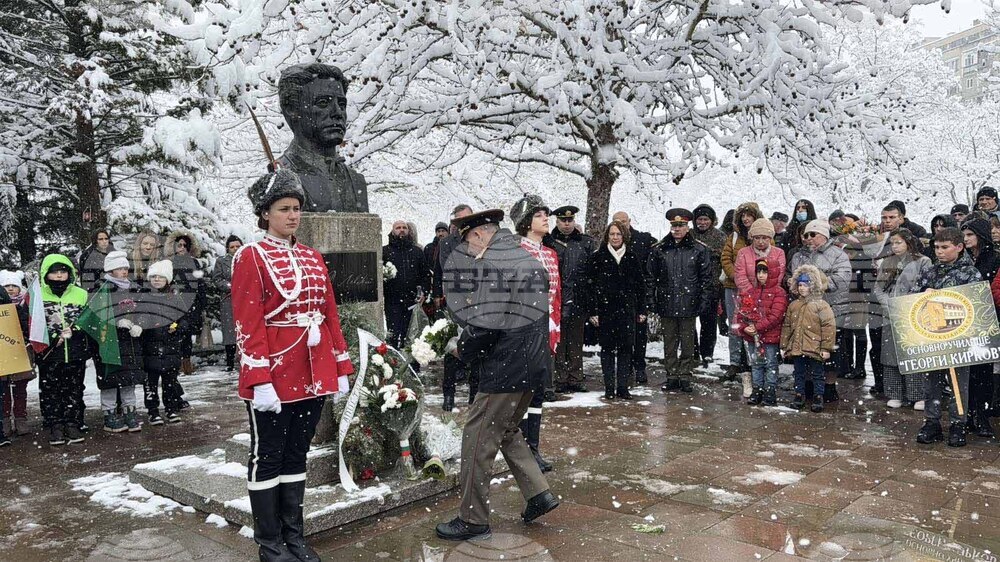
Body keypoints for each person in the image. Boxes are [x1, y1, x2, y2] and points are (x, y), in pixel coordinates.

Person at [234, 168, 354, 561]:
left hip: (312, 372)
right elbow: (248, 322)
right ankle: (269, 543)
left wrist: (340, 368)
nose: (293, 215)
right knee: (266, 454)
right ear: (265, 213)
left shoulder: (312, 256)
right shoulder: (250, 255)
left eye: (297, 208)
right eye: (284, 208)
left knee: (295, 453)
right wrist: (259, 377)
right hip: (273, 372)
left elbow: (329, 315)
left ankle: (294, 535)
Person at [436, 209, 558, 541]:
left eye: (467, 243)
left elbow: (486, 323)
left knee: (476, 438)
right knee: (506, 429)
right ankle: (539, 493)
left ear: (478, 235)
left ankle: (472, 518)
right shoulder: (526, 257)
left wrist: (461, 348)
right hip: (534, 362)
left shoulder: (491, 264)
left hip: (506, 365)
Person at [913, 227, 982, 447]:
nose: (939, 252)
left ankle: (957, 423)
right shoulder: (931, 272)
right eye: (936, 248)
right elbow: (913, 299)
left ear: (959, 247)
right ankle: (932, 421)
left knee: (958, 382)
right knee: (931, 380)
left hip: (959, 336)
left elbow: (977, 302)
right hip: (932, 335)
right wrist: (923, 295)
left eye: (944, 247)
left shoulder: (971, 273)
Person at [511, 194, 559, 472]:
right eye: (540, 215)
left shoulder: (550, 254)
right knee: (521, 393)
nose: (546, 219)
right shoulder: (516, 252)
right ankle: (519, 449)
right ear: (527, 222)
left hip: (544, 328)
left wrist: (554, 328)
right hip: (522, 329)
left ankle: (534, 447)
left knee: (539, 391)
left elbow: (555, 295)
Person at [648, 208, 712, 393]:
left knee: (687, 343)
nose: (677, 229)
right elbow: (651, 277)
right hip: (667, 302)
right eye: (674, 225)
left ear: (687, 226)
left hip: (689, 303)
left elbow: (706, 279)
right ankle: (671, 376)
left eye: (681, 225)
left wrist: (703, 301)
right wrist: (652, 300)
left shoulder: (699, 249)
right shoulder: (660, 249)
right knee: (669, 343)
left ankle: (685, 376)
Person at [787, 219, 851, 403]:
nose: (808, 238)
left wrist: (819, 283)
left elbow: (843, 278)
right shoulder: (799, 256)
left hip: (830, 310)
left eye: (812, 234)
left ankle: (829, 386)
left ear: (824, 235)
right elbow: (793, 276)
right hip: (806, 311)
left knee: (831, 351)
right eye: (806, 235)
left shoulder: (838, 254)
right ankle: (807, 384)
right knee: (806, 348)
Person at [583, 221, 646, 400]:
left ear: (623, 236)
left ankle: (623, 387)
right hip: (606, 310)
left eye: (618, 234)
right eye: (612, 234)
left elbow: (640, 286)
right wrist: (593, 311)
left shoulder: (632, 257)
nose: (615, 237)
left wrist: (642, 309)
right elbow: (590, 286)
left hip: (627, 311)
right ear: (607, 237)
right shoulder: (598, 257)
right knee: (608, 349)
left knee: (626, 349)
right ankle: (609, 388)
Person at [872, 229, 930, 410]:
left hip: (914, 313)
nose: (895, 246)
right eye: (893, 243)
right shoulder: (887, 262)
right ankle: (895, 393)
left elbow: (927, 286)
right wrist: (888, 305)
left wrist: (911, 305)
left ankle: (918, 395)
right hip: (891, 314)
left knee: (914, 354)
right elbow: (878, 289)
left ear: (908, 242)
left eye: (899, 242)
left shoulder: (922, 261)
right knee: (891, 355)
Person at [37, 255, 92, 446]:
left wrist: (75, 331)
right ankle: (55, 424)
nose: (59, 276)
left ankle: (73, 423)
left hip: (75, 350)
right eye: (54, 272)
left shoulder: (80, 293)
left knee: (74, 388)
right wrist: (52, 337)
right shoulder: (38, 295)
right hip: (50, 353)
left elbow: (88, 320)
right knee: (51, 389)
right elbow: (32, 324)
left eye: (63, 272)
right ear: (47, 274)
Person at [91, 251, 145, 433]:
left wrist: (140, 324)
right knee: (110, 380)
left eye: (125, 268)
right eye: (119, 268)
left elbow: (145, 311)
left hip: (131, 343)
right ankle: (110, 415)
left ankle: (130, 412)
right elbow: (96, 317)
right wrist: (115, 322)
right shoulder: (100, 289)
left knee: (129, 379)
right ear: (110, 270)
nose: (123, 271)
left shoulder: (134, 288)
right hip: (110, 343)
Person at [733, 217, 786, 398]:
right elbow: (740, 275)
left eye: (765, 237)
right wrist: (752, 297)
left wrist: (765, 295)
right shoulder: (743, 253)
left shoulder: (778, 253)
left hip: (770, 303)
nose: (761, 241)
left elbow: (777, 276)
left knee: (769, 355)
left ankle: (769, 388)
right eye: (757, 237)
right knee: (751, 350)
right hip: (748, 303)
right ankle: (753, 383)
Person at [546, 205, 594, 393]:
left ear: (574, 221)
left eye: (570, 220)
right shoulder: (549, 243)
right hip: (556, 297)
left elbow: (592, 272)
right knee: (558, 340)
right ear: (556, 222)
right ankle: (560, 378)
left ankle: (576, 377)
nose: (567, 224)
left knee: (575, 340)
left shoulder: (585, 243)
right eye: (563, 221)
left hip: (578, 298)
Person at [960, 218, 1000, 439]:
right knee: (966, 372)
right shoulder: (962, 260)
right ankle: (966, 414)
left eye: (970, 235)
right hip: (964, 321)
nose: (966, 240)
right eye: (964, 235)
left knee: (983, 371)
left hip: (986, 320)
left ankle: (982, 416)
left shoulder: (994, 259)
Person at [435, 204, 474, 411]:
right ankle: (448, 394)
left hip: (479, 302)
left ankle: (475, 395)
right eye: (460, 219)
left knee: (478, 349)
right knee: (453, 348)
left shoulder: (481, 240)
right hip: (457, 301)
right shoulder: (448, 242)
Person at [140, 260, 188, 425]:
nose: (157, 280)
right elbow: (140, 318)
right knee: (150, 384)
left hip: (170, 348)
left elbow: (184, 320)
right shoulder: (144, 297)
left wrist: (178, 328)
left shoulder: (175, 298)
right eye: (154, 277)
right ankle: (153, 411)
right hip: (150, 348)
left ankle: (170, 408)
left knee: (170, 382)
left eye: (161, 277)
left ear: (167, 279)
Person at [782, 265, 836, 412]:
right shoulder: (794, 305)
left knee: (817, 373)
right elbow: (787, 326)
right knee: (798, 373)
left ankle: (818, 396)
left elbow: (828, 327)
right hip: (798, 346)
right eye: (799, 285)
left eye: (805, 285)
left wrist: (826, 348)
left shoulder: (821, 305)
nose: (802, 288)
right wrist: (784, 345)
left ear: (812, 286)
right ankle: (799, 395)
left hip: (815, 348)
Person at [611, 211, 655, 385]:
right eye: (616, 222)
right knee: (622, 333)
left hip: (638, 294)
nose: (620, 225)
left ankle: (640, 366)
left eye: (623, 221)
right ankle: (625, 365)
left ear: (629, 221)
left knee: (639, 333)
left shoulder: (643, 240)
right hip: (617, 295)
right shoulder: (611, 241)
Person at [720, 202, 763, 381]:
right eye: (743, 216)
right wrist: (737, 277)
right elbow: (726, 258)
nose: (746, 219)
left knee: (754, 324)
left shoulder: (763, 235)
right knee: (735, 325)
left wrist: (750, 280)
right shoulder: (734, 237)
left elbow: (766, 259)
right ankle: (735, 362)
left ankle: (755, 362)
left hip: (755, 288)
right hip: (733, 287)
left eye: (749, 215)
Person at [382, 220, 429, 350]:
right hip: (393, 302)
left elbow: (425, 275)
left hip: (412, 301)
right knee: (392, 335)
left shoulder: (417, 252)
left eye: (404, 227)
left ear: (409, 231)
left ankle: (412, 366)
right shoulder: (384, 252)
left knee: (412, 336)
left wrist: (424, 291)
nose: (401, 230)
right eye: (398, 227)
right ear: (392, 231)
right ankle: (393, 363)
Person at [165, 231, 206, 380]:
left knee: (187, 334)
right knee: (174, 332)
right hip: (174, 304)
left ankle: (186, 363)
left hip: (191, 303)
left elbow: (200, 282)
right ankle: (175, 363)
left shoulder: (193, 262)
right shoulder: (169, 263)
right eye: (179, 245)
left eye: (184, 245)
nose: (182, 248)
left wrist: (201, 302)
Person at [691, 204, 726, 368]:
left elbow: (724, 259)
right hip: (690, 285)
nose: (702, 222)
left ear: (711, 221)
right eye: (699, 219)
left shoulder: (720, 237)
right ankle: (692, 350)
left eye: (705, 219)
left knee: (709, 321)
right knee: (689, 321)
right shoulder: (689, 235)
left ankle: (707, 353)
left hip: (711, 285)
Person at [1, 270, 34, 437]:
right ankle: (5, 420)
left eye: (14, 286)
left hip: (21, 352)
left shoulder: (24, 305)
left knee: (21, 388)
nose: (11, 289)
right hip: (3, 355)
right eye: (7, 286)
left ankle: (21, 418)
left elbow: (28, 326)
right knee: (4, 390)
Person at [213, 235, 243, 371]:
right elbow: (217, 279)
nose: (235, 249)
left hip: (246, 299)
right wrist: (231, 286)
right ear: (227, 249)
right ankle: (230, 362)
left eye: (238, 246)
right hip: (229, 299)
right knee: (230, 331)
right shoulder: (221, 261)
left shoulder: (247, 258)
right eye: (232, 247)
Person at [423, 222, 449, 317]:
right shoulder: (429, 248)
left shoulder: (450, 246)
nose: (440, 233)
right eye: (438, 231)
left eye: (443, 231)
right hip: (432, 284)